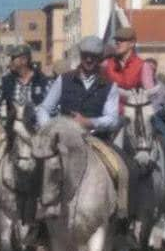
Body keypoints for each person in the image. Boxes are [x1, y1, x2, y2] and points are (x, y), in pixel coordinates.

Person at [36, 36, 127, 219]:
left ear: (100, 59)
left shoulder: (109, 86)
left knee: (122, 169)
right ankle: (37, 221)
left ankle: (121, 218)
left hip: (95, 139)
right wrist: (50, 129)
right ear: (81, 56)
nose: (89, 60)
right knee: (37, 166)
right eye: (86, 55)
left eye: (93, 56)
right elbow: (44, 108)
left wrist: (89, 122)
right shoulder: (64, 80)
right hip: (63, 140)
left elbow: (112, 118)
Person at [103, 27, 165, 168]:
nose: (118, 43)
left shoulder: (143, 66)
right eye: (117, 41)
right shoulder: (107, 65)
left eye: (122, 40)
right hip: (113, 114)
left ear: (132, 43)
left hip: (139, 114)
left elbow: (151, 94)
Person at [0, 44, 51, 109]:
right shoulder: (6, 81)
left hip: (35, 118)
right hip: (12, 118)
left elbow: (50, 105)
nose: (10, 61)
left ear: (24, 59)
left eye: (13, 58)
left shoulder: (41, 79)